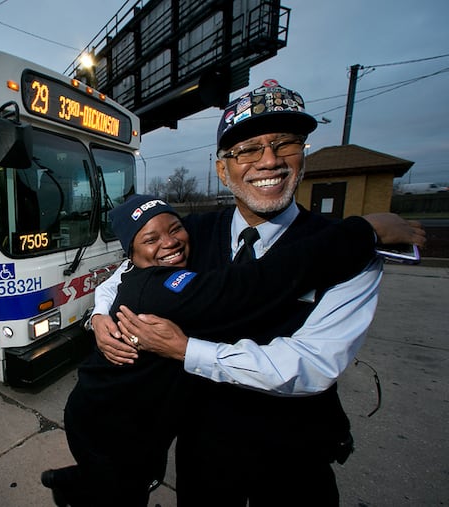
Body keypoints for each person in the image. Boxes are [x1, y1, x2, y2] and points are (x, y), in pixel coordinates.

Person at [91, 80, 427, 505]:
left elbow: (313, 363)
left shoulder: (351, 249)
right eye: (247, 149)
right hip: (203, 447)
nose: (268, 160)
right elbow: (124, 273)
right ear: (222, 169)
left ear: (303, 156)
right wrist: (99, 317)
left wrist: (186, 350)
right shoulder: (190, 233)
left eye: (284, 143)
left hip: (294, 454)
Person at [42, 194, 422, 507]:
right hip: (106, 423)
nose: (169, 242)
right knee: (122, 491)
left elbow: (121, 273)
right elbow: (249, 286)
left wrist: (98, 316)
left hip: (142, 418)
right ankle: (75, 487)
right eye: (150, 239)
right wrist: (362, 232)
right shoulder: (160, 288)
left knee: (135, 474)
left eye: (175, 228)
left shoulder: (150, 271)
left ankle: (75, 480)